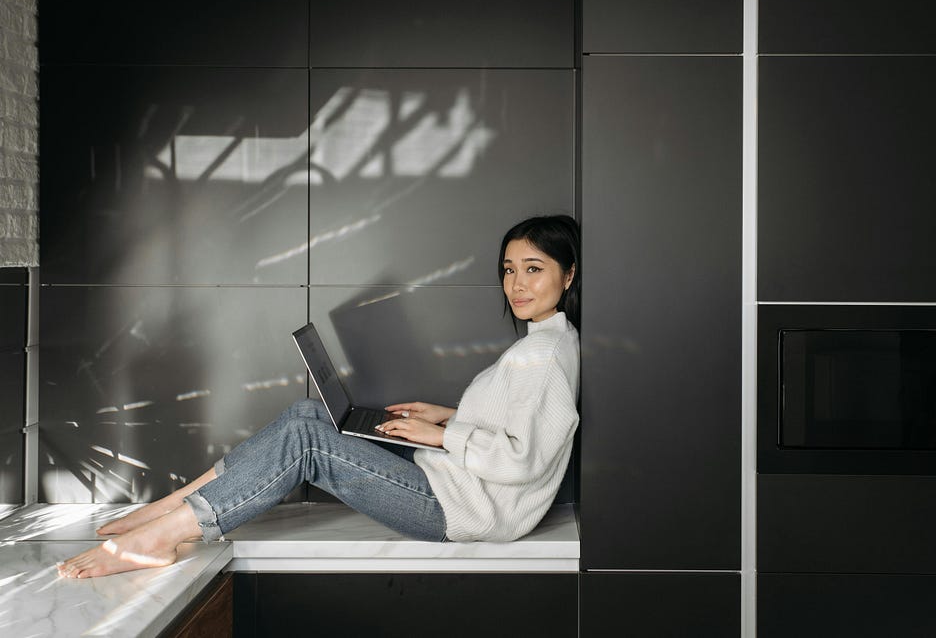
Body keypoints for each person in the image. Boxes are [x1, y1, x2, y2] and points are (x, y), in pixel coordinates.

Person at [57, 215, 581, 578]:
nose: (516, 283)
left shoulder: (546, 355)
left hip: (463, 509)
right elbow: (517, 421)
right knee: (310, 412)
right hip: (455, 480)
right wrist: (447, 417)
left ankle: (163, 535)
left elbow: (522, 458)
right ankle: (173, 508)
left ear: (569, 273)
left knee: (308, 440)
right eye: (509, 269)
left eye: (533, 269)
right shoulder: (545, 343)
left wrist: (441, 435)